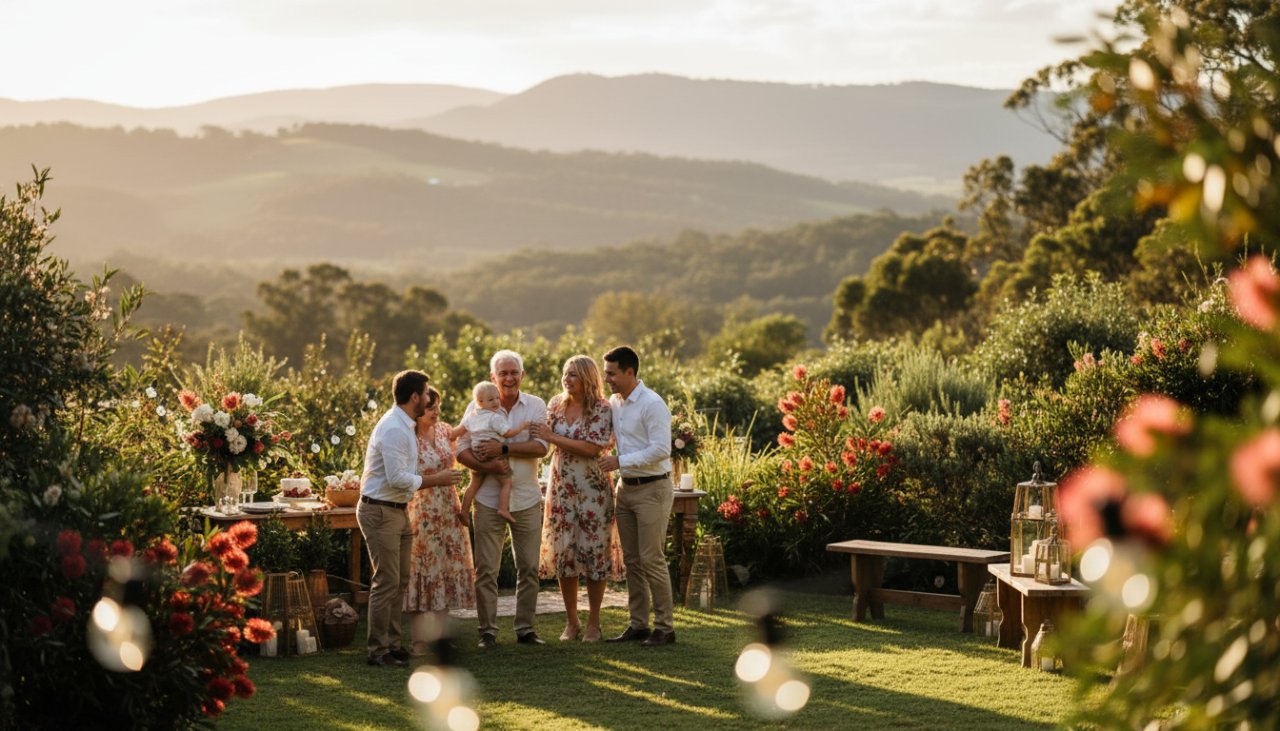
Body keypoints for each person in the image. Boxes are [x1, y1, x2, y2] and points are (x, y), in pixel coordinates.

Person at [456, 349, 549, 648]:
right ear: (492, 377)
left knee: (529, 568)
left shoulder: (535, 405)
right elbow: (461, 450)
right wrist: (489, 467)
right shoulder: (476, 406)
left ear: (522, 375)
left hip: (526, 498)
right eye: (503, 373)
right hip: (486, 499)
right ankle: (488, 631)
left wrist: (504, 449)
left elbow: (541, 447)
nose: (509, 378)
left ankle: (525, 629)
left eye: (514, 372)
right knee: (486, 569)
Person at [529, 355, 622, 642]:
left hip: (593, 489)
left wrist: (553, 437)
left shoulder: (602, 408)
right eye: (565, 374)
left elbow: (592, 448)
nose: (566, 379)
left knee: (594, 553)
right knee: (564, 553)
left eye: (573, 375)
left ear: (587, 378)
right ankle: (572, 621)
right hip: (561, 487)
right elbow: (542, 441)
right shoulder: (555, 404)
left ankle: (594, 621)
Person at [598, 345, 676, 647]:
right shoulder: (615, 403)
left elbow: (661, 450)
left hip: (653, 488)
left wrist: (620, 461)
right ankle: (638, 624)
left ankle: (665, 628)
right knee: (632, 560)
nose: (607, 379)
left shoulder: (652, 404)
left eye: (611, 373)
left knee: (651, 558)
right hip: (626, 489)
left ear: (629, 372)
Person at [358, 369, 431, 667]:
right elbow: (397, 478)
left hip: (397, 510)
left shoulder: (405, 425)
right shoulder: (393, 428)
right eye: (426, 393)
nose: (429, 398)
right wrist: (434, 480)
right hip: (379, 510)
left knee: (399, 581)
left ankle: (392, 644)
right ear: (414, 397)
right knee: (386, 581)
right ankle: (377, 650)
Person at [404, 386, 474, 657]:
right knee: (422, 569)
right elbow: (404, 476)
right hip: (422, 510)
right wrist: (438, 479)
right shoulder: (408, 436)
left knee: (445, 567)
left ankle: (441, 636)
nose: (436, 412)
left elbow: (468, 431)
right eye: (431, 407)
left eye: (438, 407)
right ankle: (419, 640)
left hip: (448, 509)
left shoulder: (445, 430)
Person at [458, 381, 530, 524]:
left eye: (497, 398)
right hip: (492, 454)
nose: (496, 402)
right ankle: (503, 508)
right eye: (491, 399)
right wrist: (521, 427)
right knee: (507, 482)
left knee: (474, 484)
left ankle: (464, 511)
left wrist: (448, 434)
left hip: (477, 454)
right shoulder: (494, 417)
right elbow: (508, 433)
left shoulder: (472, 415)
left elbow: (458, 432)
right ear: (479, 402)